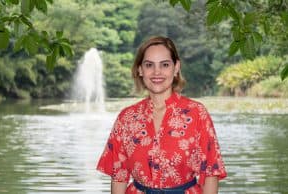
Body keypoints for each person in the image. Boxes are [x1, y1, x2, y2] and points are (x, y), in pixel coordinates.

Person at [96, 36, 227, 194]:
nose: (156, 72)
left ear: (176, 67)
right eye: (149, 65)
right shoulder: (127, 118)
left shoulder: (197, 113)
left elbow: (210, 173)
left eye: (164, 65)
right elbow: (119, 175)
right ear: (140, 70)